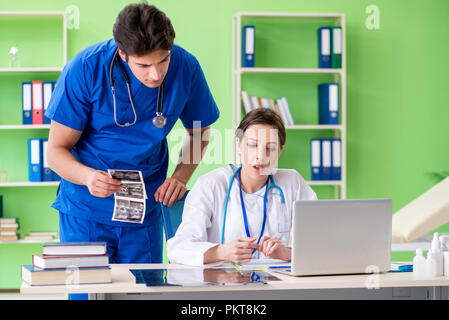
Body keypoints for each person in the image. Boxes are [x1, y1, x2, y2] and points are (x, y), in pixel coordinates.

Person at [45, 3, 219, 264]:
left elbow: (200, 131)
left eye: (163, 60)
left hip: (144, 212)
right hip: (86, 210)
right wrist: (88, 177)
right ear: (123, 54)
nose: (156, 74)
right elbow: (56, 152)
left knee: (141, 292)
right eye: (144, 65)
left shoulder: (186, 67)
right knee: (87, 291)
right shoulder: (85, 69)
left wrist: (180, 177)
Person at [167, 108, 317, 266]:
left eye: (270, 148)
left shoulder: (292, 182)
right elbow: (177, 249)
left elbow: (319, 240)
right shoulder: (212, 185)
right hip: (222, 285)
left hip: (275, 285)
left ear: (280, 151)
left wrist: (286, 253)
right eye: (253, 145)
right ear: (239, 144)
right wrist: (221, 252)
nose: (261, 156)